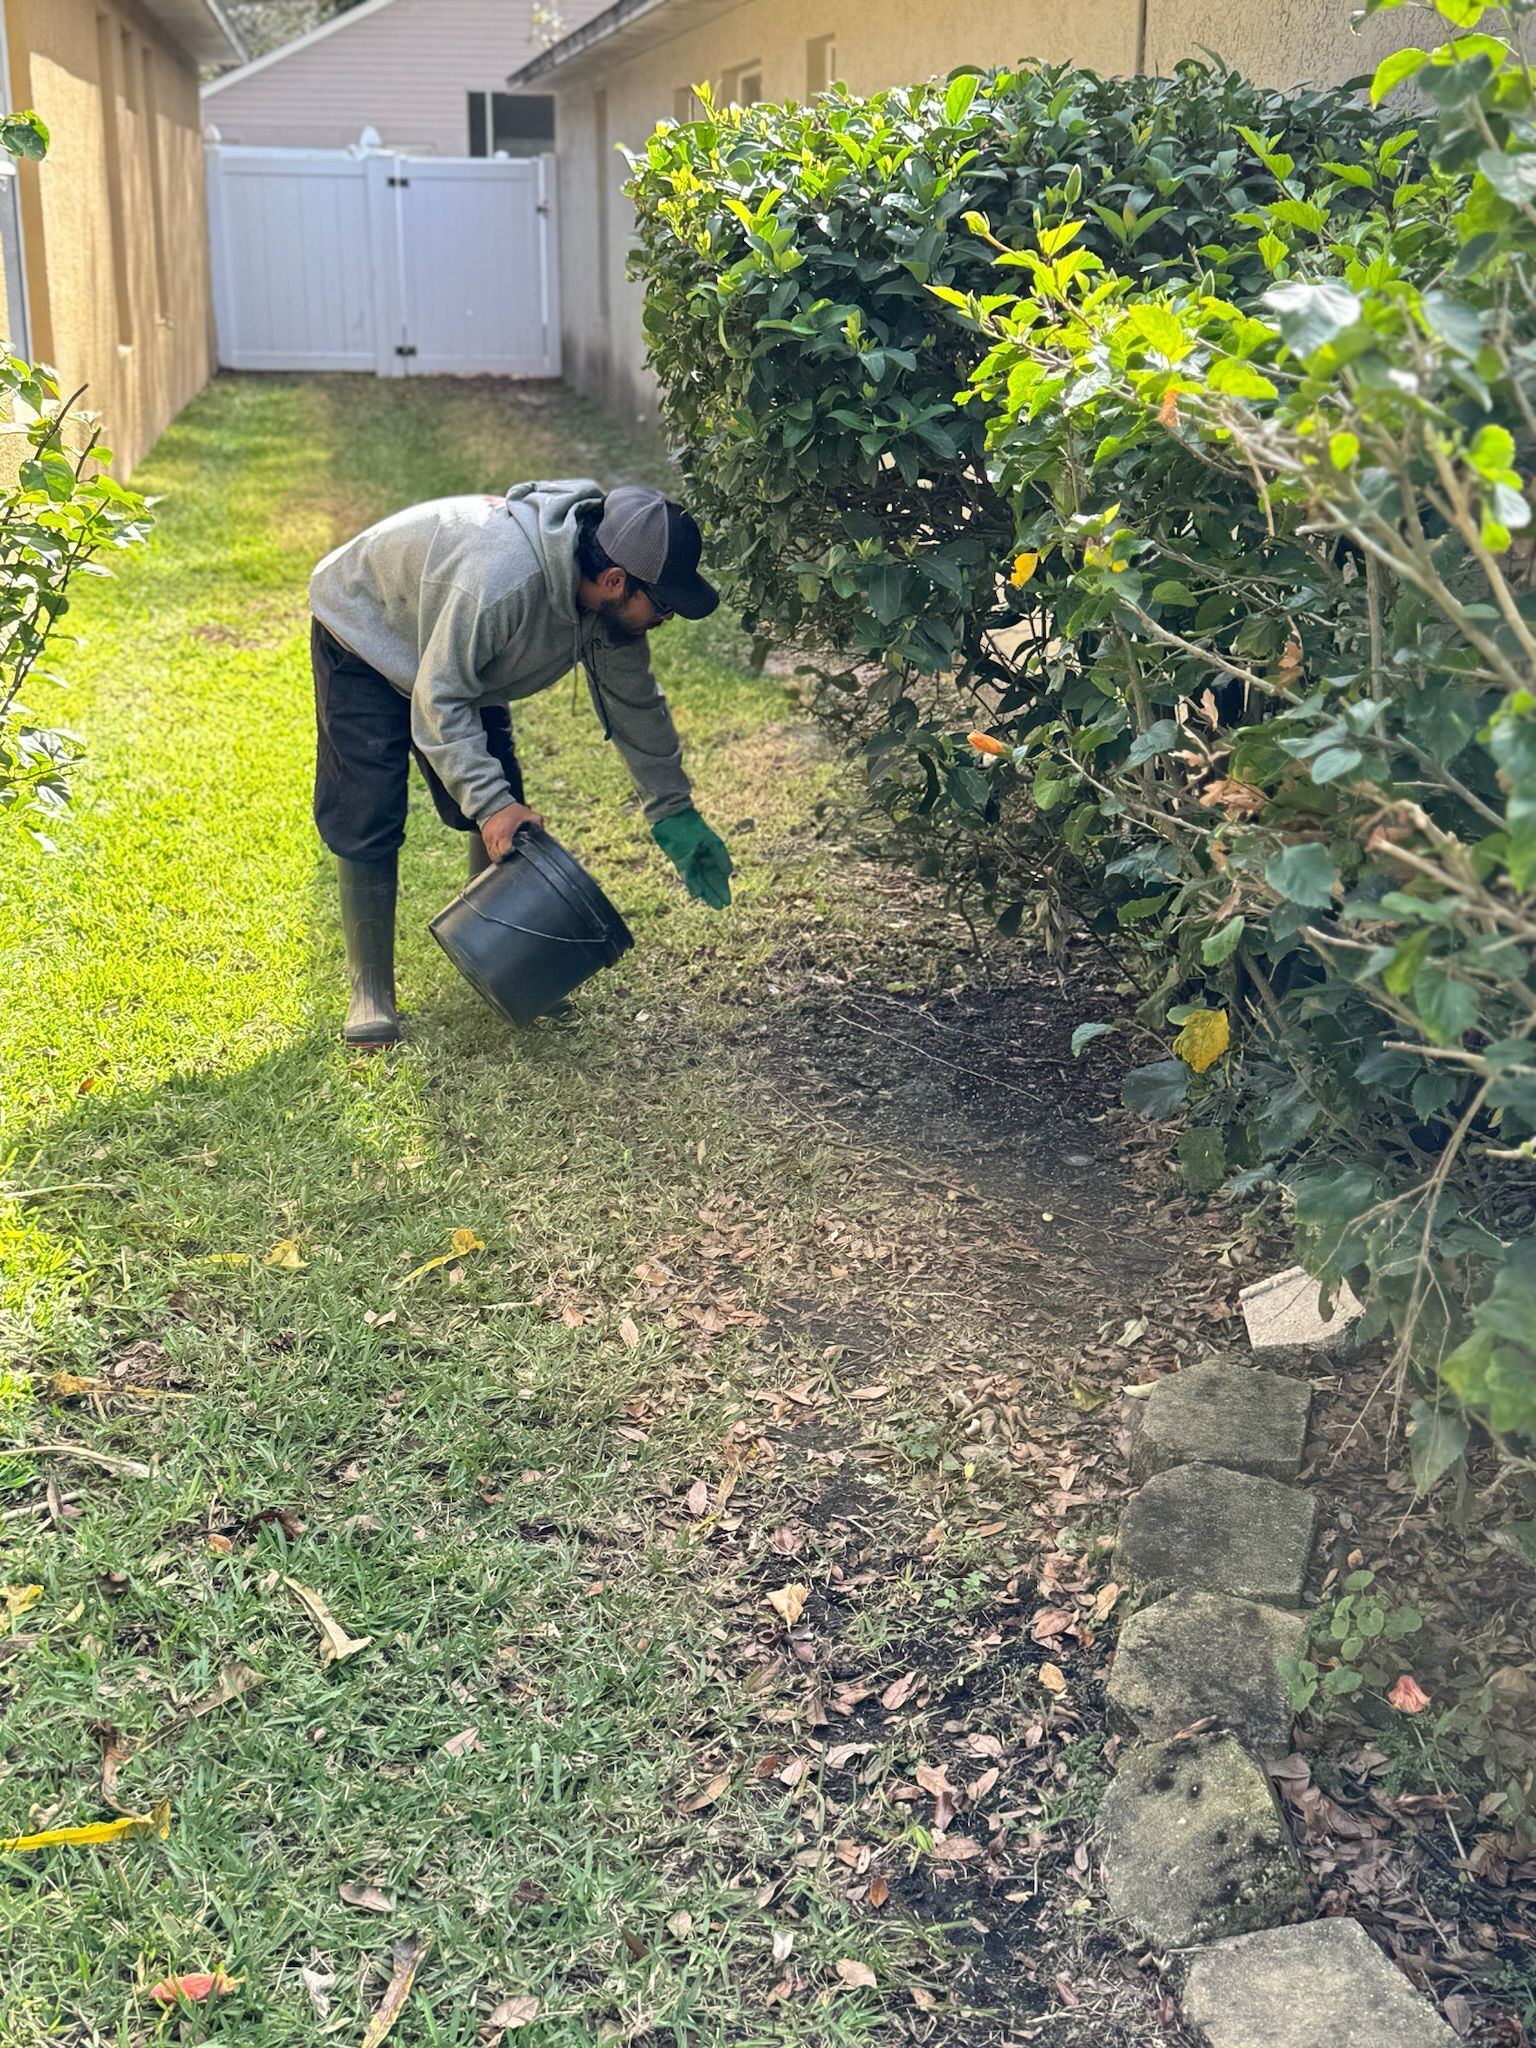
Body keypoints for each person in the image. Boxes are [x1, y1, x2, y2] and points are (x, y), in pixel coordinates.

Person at [309, 479, 734, 1047]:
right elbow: (441, 701)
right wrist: (490, 808)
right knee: (369, 808)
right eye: (662, 606)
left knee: (502, 795)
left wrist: (673, 811)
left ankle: (496, 946)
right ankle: (372, 993)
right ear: (614, 581)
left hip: (453, 653)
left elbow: (636, 706)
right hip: (367, 626)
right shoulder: (503, 584)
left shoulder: (606, 608)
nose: (665, 618)